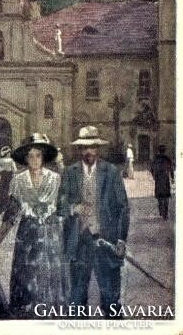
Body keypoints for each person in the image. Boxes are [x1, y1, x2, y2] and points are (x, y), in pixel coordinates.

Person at [0, 133, 69, 318]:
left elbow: (65, 211)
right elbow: (10, 217)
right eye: (30, 156)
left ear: (43, 157)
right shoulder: (18, 181)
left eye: (38, 155)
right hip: (28, 241)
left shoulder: (55, 179)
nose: (35, 159)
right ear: (25, 158)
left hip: (51, 238)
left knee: (51, 287)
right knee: (28, 287)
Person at [58, 126, 129, 318]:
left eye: (92, 147)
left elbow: (123, 207)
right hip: (79, 244)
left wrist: (121, 240)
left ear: (97, 148)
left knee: (111, 299)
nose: (88, 151)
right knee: (78, 300)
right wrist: (73, 208)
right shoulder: (69, 172)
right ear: (80, 149)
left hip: (106, 243)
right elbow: (60, 204)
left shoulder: (112, 172)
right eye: (84, 147)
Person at [150, 145, 174, 220]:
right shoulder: (167, 159)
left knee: (159, 196)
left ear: (158, 150)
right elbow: (171, 169)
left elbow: (151, 169)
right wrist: (172, 178)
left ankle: (161, 211)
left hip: (158, 179)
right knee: (166, 196)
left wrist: (154, 176)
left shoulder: (155, 159)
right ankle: (165, 215)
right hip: (166, 179)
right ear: (165, 151)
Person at [0, 146, 16, 213]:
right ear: (7, 154)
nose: (10, 154)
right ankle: (8, 206)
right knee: (9, 190)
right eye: (9, 153)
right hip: (9, 176)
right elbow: (14, 169)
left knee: (1, 191)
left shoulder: (0, 160)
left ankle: (0, 206)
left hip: (3, 176)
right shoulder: (11, 160)